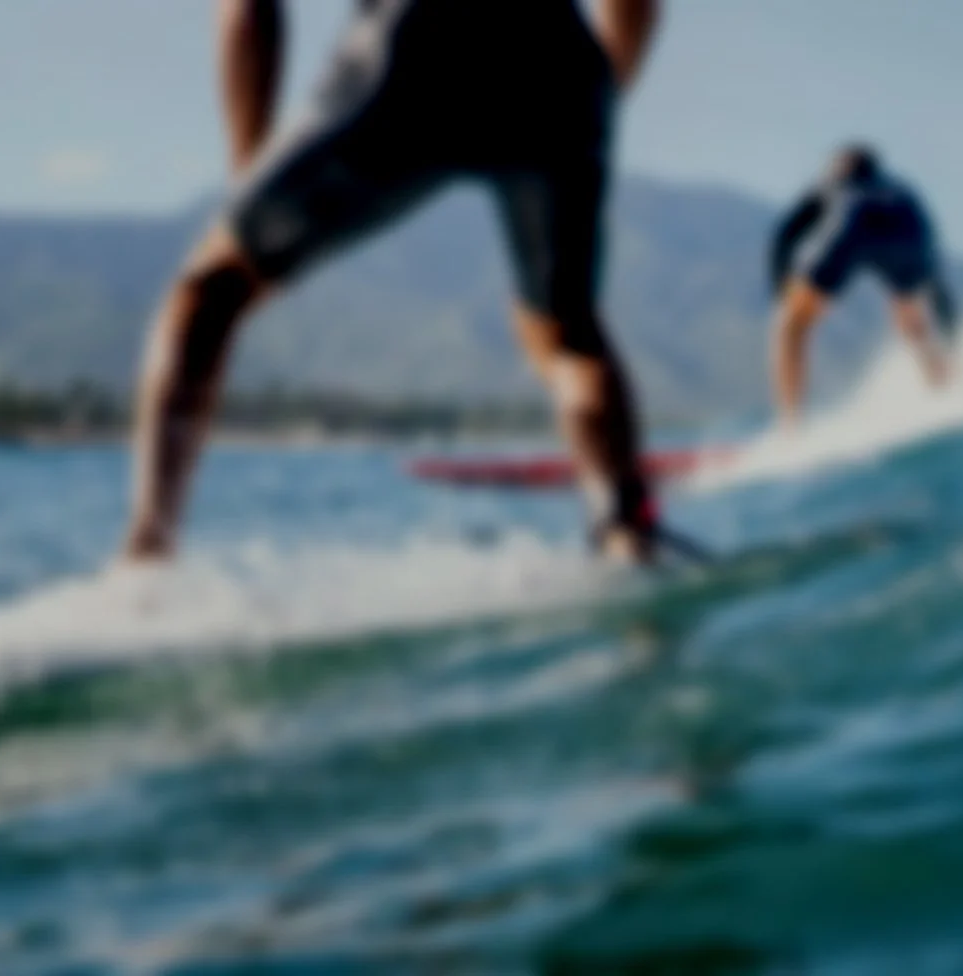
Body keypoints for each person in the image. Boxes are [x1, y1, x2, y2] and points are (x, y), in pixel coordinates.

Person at [120, 0, 667, 565]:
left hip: (407, 51)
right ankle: (627, 532)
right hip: (553, 60)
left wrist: (248, 187)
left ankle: (147, 555)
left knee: (210, 289)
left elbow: (246, 11)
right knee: (568, 334)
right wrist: (598, 94)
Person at [766, 145, 958, 427]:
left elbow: (785, 234)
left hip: (850, 231)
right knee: (914, 325)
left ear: (839, 167)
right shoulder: (903, 192)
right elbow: (933, 270)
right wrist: (953, 336)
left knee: (791, 325)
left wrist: (781, 290)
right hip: (906, 237)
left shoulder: (833, 183)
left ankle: (790, 426)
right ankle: (946, 389)